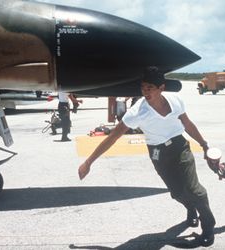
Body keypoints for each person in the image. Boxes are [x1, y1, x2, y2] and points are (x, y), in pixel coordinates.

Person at [78, 67, 216, 246]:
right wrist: (89, 162)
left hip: (180, 146)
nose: (145, 92)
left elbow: (188, 124)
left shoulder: (176, 101)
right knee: (177, 193)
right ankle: (191, 208)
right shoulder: (137, 112)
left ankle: (208, 227)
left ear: (161, 88)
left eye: (150, 87)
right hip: (158, 153)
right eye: (143, 88)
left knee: (194, 189)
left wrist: (204, 145)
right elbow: (112, 137)